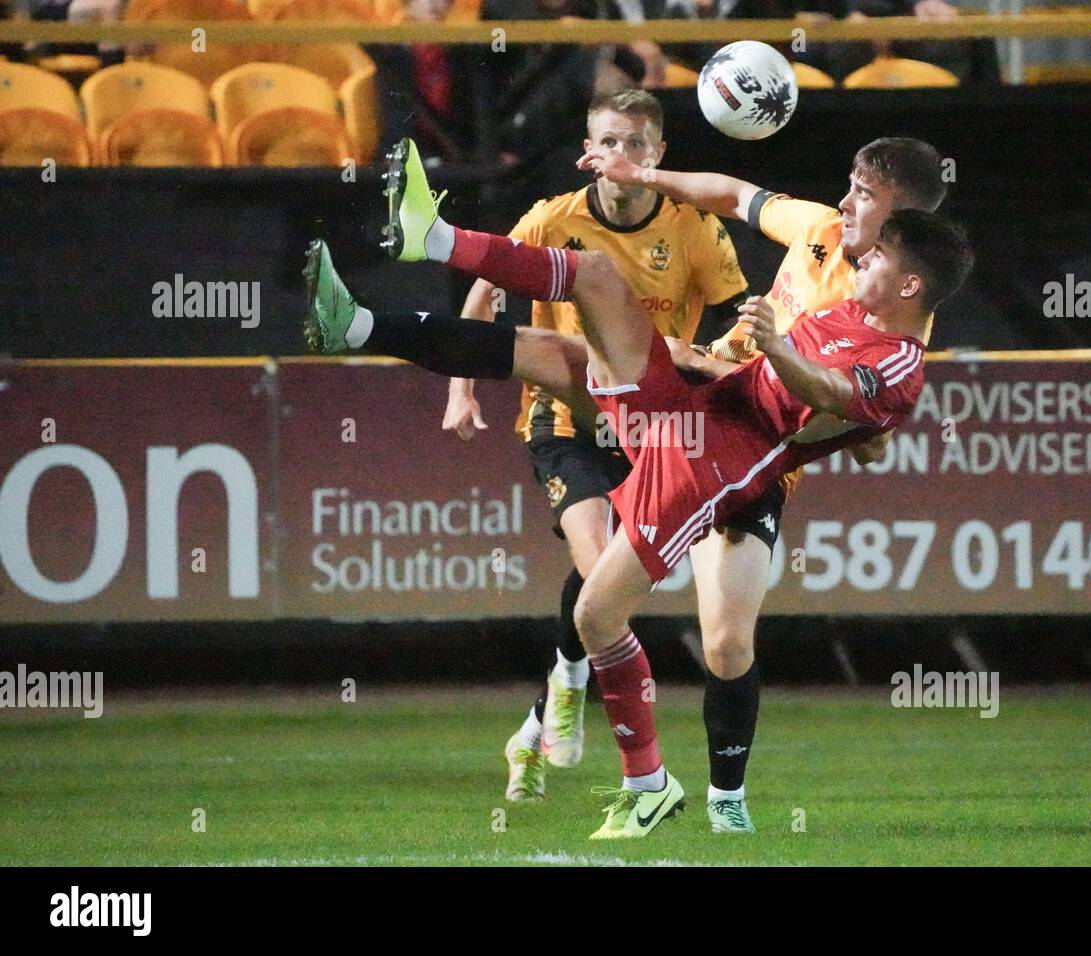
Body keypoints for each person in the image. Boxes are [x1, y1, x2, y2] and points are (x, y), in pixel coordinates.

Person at [301, 144, 975, 838]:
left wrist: (779, 355)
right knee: (589, 287)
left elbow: (848, 404)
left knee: (676, 633)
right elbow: (734, 194)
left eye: (864, 195)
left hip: (716, 468)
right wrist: (650, 191)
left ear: (909, 270)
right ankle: (400, 273)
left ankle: (677, 788)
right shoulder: (829, 247)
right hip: (695, 406)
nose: (846, 206)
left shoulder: (899, 350)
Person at [434, 89, 753, 813]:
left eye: (635, 143)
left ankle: (535, 721)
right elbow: (484, 296)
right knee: (595, 558)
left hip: (652, 429)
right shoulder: (553, 219)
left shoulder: (694, 230)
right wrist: (461, 390)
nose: (620, 155)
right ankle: (576, 692)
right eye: (607, 141)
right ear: (588, 149)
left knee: (608, 584)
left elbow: (740, 323)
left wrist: (700, 356)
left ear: (658, 154)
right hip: (566, 415)